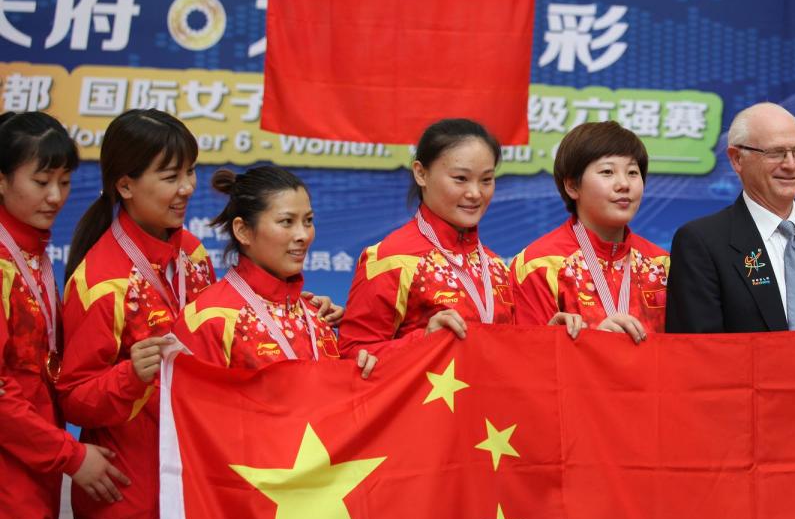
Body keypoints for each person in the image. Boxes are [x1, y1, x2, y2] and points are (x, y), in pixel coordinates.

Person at [57, 108, 217, 519]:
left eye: (190, 172)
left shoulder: (192, 256)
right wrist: (130, 376)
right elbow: (73, 398)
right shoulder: (100, 282)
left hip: (193, 496)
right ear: (124, 185)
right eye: (170, 176)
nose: (187, 188)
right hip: (130, 506)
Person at [0, 112, 127, 519]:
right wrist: (72, 456)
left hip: (27, 485)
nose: (55, 195)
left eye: (65, 182)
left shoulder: (33, 253)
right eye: (40, 180)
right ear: (2, 180)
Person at [665, 102, 795, 333]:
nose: (791, 165)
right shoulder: (701, 242)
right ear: (737, 159)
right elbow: (699, 350)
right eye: (776, 153)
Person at [173, 166, 374, 376]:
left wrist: (356, 361)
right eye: (287, 222)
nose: (303, 235)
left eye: (308, 221)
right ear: (243, 231)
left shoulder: (317, 316)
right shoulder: (210, 320)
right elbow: (194, 406)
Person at [340, 118, 515, 354]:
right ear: (421, 174)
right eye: (460, 179)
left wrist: (548, 336)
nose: (475, 193)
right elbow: (353, 354)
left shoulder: (496, 268)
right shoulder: (390, 260)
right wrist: (423, 341)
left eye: (486, 180)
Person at [510, 121, 669, 342]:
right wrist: (593, 343)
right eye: (607, 171)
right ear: (572, 186)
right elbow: (529, 359)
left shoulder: (664, 266)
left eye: (633, 172)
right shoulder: (538, 265)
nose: (624, 184)